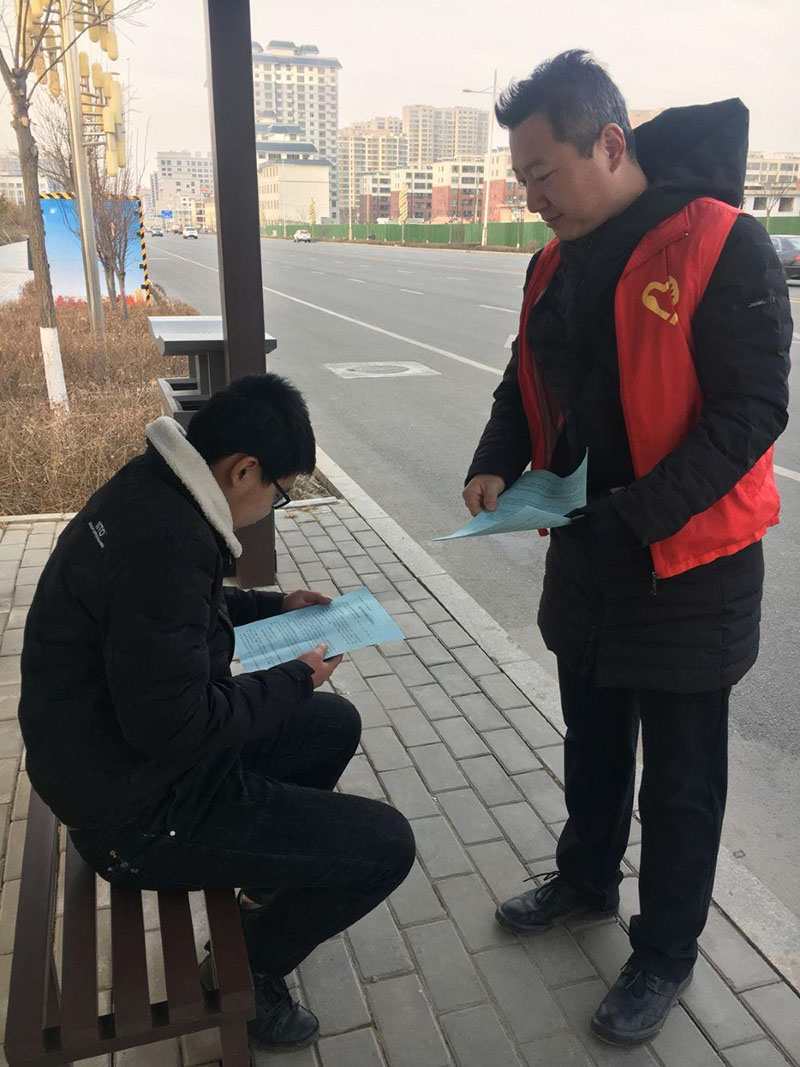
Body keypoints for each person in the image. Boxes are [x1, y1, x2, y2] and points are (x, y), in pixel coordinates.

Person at [464, 51, 791, 1046]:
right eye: (520, 179)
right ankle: (584, 878)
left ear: (609, 144)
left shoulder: (722, 242)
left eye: (542, 175)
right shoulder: (553, 262)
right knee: (593, 739)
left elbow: (751, 412)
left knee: (682, 777)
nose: (532, 200)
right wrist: (495, 458)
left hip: (687, 566)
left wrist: (638, 515)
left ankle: (664, 951)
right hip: (585, 549)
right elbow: (522, 374)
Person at [19, 374, 415, 1052]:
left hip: (115, 763)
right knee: (386, 846)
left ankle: (259, 883)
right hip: (136, 816)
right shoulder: (171, 540)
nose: (273, 506)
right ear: (243, 470)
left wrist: (274, 605)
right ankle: (250, 972)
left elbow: (170, 618)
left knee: (333, 723)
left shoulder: (152, 491)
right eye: (280, 492)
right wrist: (293, 678)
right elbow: (175, 725)